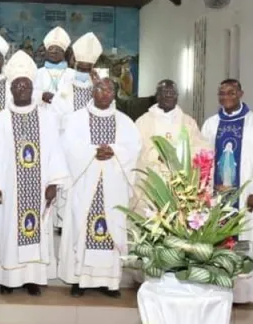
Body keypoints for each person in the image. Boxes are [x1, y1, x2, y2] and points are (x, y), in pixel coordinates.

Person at [0, 50, 69, 296]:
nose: (21, 89)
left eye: (26, 85)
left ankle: (31, 278)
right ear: (10, 89)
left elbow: (54, 152)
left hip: (38, 188)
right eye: (17, 85)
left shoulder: (46, 118)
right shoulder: (1, 119)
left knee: (35, 232)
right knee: (8, 230)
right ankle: (5, 277)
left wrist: (53, 183)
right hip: (9, 188)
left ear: (33, 88)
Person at [58, 78, 141, 298]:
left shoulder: (125, 122)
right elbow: (68, 147)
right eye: (100, 89)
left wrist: (114, 151)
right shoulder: (76, 120)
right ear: (93, 92)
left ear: (115, 94)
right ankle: (79, 280)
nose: (105, 93)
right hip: (85, 184)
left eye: (110, 90)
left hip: (112, 184)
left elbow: (133, 148)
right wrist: (92, 152)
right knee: (81, 226)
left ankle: (109, 282)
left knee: (112, 227)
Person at [201, 79, 253, 304]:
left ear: (240, 93)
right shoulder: (211, 124)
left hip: (245, 195)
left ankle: (242, 293)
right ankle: (217, 290)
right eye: (222, 93)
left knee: (244, 239)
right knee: (218, 238)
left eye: (231, 92)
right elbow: (203, 158)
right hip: (217, 194)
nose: (226, 97)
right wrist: (203, 190)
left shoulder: (251, 122)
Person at [49, 32, 103, 231]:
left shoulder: (99, 88)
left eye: (88, 68)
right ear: (75, 64)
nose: (84, 70)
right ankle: (62, 221)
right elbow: (55, 115)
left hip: (91, 145)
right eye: (81, 67)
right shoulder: (65, 87)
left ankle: (86, 218)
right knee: (66, 183)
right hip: (66, 144)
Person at [133, 79, 210, 214]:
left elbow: (201, 149)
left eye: (172, 93)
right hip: (152, 183)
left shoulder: (188, 122)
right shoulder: (143, 121)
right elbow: (134, 151)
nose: (169, 96)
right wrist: (158, 155)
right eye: (164, 92)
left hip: (180, 184)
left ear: (177, 96)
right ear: (157, 96)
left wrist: (180, 157)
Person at [35, 26, 74, 104]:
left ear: (64, 53)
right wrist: (41, 95)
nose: (53, 51)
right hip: (43, 112)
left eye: (58, 49)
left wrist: (59, 98)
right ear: (46, 52)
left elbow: (74, 94)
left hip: (65, 113)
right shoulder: (37, 73)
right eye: (50, 49)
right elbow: (31, 93)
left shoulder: (72, 74)